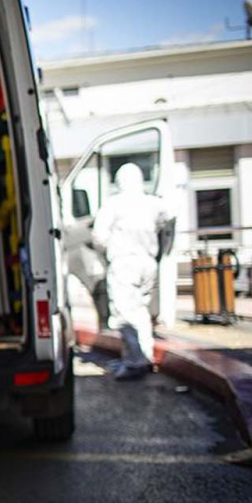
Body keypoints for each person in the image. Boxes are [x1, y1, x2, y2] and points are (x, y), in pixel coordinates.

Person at [92, 162, 173, 381]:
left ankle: (135, 362)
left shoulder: (114, 204)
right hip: (148, 263)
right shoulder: (154, 204)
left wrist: (108, 250)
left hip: (124, 263)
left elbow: (98, 237)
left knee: (125, 315)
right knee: (141, 313)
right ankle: (142, 357)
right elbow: (170, 220)